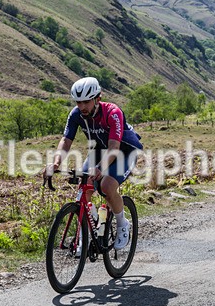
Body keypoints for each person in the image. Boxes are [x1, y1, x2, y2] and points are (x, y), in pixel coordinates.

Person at [44, 76, 143, 250]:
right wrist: (55, 163)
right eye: (78, 102)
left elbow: (114, 147)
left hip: (124, 151)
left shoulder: (113, 113)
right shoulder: (76, 114)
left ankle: (122, 224)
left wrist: (99, 168)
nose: (82, 106)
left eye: (86, 102)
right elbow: (66, 141)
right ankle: (87, 232)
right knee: (84, 188)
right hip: (99, 151)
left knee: (106, 186)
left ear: (98, 98)